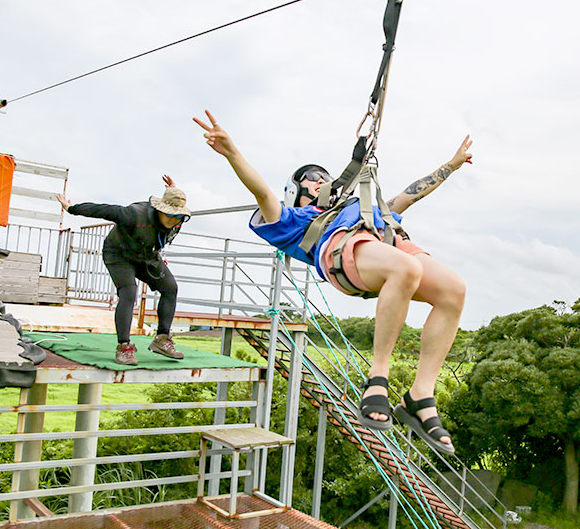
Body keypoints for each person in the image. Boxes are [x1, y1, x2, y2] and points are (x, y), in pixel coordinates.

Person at [193, 110, 472, 456]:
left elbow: (410, 195)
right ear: (298, 192)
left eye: (323, 175)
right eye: (311, 178)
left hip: (384, 239)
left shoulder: (366, 206)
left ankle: (419, 395)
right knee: (406, 270)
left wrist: (452, 164)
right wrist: (233, 153)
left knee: (453, 290)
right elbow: (262, 193)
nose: (321, 179)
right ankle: (377, 379)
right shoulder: (295, 218)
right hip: (342, 250)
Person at [56, 176, 190, 366]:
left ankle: (161, 339)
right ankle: (124, 347)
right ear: (159, 209)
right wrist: (72, 208)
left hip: (146, 256)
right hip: (119, 255)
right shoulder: (133, 214)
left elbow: (175, 209)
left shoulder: (177, 219)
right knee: (129, 292)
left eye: (177, 216)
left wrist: (173, 193)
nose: (173, 219)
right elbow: (103, 210)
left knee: (171, 288)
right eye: (169, 214)